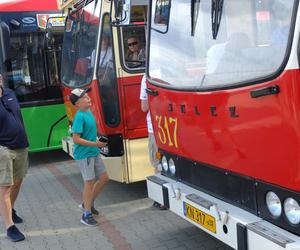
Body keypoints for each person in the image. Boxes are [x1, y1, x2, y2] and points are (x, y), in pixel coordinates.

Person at [70, 88, 109, 227]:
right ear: (77, 104)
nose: (88, 98)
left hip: (93, 151)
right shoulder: (79, 116)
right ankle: (86, 214)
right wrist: (96, 143)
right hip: (84, 154)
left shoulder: (88, 112)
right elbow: (76, 139)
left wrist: (98, 140)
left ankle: (88, 202)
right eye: (84, 98)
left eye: (87, 96)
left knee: (104, 178)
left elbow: (90, 131)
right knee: (89, 182)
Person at [0, 73, 29, 242]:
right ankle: (9, 227)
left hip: (21, 146)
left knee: (18, 182)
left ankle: (11, 210)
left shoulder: (10, 93)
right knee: (5, 187)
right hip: (4, 149)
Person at [140, 74, 166, 210]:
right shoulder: (172, 70)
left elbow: (144, 107)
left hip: (155, 126)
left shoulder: (147, 77)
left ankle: (161, 198)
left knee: (158, 164)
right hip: (172, 124)